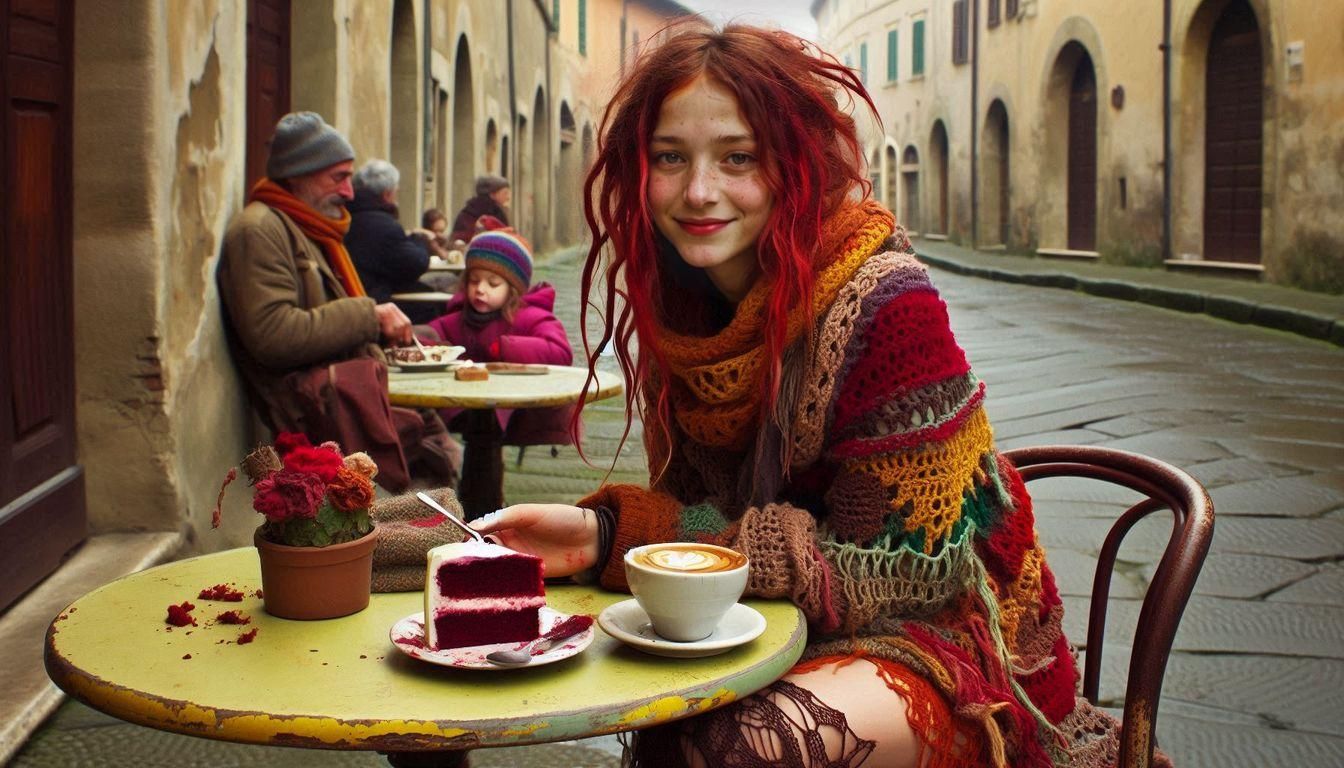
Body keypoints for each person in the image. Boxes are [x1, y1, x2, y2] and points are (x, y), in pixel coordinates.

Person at [470, 21, 1144, 768]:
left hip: (951, 645)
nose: (699, 191)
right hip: (790, 622)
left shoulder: (888, 305)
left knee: (733, 745)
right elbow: (718, 518)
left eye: (738, 158)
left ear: (794, 165)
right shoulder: (687, 314)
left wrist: (631, 544)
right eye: (670, 157)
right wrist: (605, 536)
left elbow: (912, 564)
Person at [218, 112, 458, 491]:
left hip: (344, 398)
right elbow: (272, 334)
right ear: (298, 175)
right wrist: (370, 316)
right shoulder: (260, 230)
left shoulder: (308, 225)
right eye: (338, 178)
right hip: (314, 415)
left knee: (441, 453)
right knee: (428, 474)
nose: (349, 191)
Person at [426, 230, 576, 447]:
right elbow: (430, 336)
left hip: (521, 408)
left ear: (513, 289)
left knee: (486, 433)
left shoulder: (531, 317)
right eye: (474, 281)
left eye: (493, 284)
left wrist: (505, 348)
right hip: (464, 405)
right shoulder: (458, 319)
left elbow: (560, 352)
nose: (480, 289)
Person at [345, 159, 439, 324]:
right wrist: (419, 239)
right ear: (387, 194)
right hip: (373, 307)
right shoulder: (382, 225)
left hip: (352, 300)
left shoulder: (345, 216)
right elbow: (416, 263)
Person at [450, 174, 511, 243]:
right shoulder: (469, 214)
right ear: (492, 195)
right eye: (505, 193)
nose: (508, 197)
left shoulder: (498, 212)